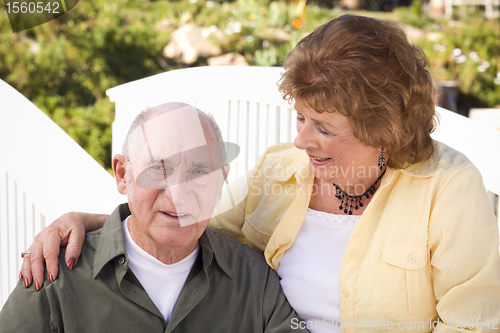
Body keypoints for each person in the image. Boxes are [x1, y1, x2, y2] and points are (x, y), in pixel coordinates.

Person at [20, 14, 500, 332]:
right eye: (300, 118)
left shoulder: (448, 189)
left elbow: (473, 324)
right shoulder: (281, 171)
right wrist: (89, 221)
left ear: (384, 132)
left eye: (325, 129)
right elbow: (194, 228)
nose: (301, 141)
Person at [0, 102, 308, 333]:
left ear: (221, 181)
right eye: (159, 168)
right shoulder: (56, 274)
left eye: (200, 170)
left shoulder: (255, 281)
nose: (178, 194)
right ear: (123, 175)